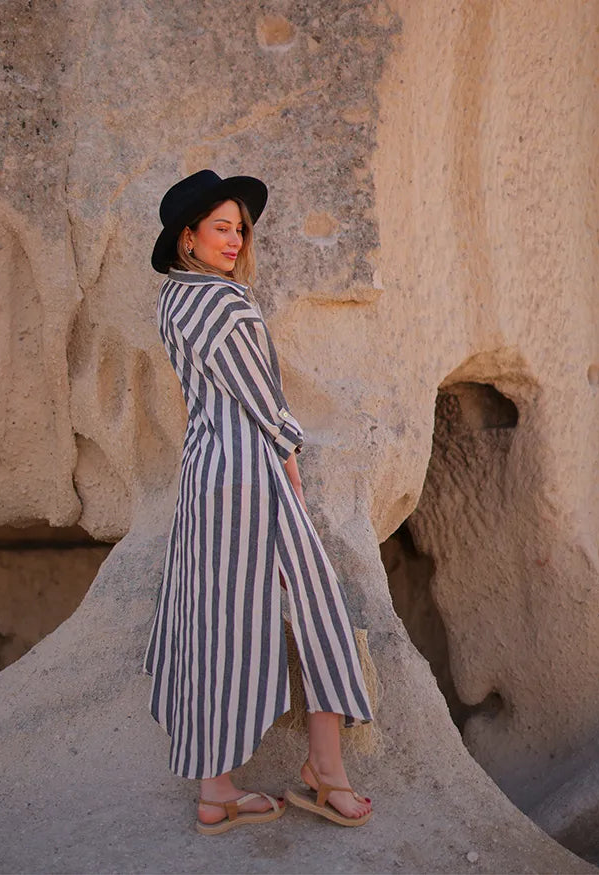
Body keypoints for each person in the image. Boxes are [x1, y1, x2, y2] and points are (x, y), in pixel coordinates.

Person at [145, 170, 373, 835]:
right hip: (249, 474)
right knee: (319, 606)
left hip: (204, 472)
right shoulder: (224, 304)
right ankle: (325, 770)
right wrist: (291, 453)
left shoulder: (173, 301)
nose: (234, 239)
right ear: (188, 237)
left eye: (240, 229)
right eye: (221, 227)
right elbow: (263, 401)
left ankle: (216, 790)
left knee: (214, 623)